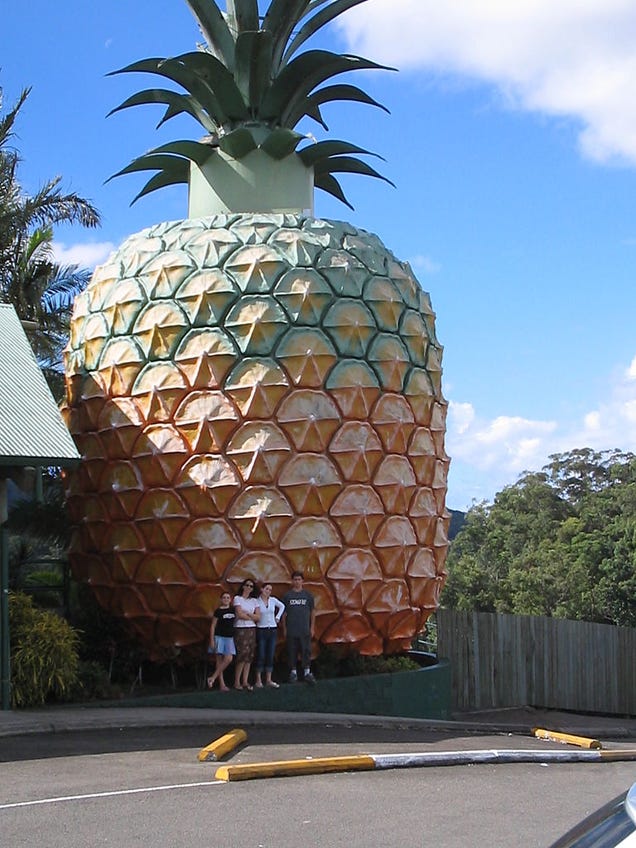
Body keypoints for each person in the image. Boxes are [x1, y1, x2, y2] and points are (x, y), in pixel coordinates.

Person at [281, 571, 316, 684]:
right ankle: (293, 672)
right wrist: (284, 628)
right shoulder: (287, 596)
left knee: (306, 650)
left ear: (302, 581)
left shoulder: (308, 595)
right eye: (295, 579)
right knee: (292, 651)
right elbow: (284, 614)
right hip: (292, 629)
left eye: (299, 579)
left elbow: (312, 612)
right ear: (292, 581)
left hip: (304, 629)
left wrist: (312, 627)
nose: (297, 582)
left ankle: (306, 672)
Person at [254, 583, 285, 689]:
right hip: (261, 629)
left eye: (270, 590)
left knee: (270, 654)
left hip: (272, 629)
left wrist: (277, 617)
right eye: (267, 589)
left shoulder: (273, 600)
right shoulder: (256, 601)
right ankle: (258, 680)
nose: (268, 591)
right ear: (262, 589)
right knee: (261, 654)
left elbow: (282, 606)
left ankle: (268, 679)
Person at [232, 578, 260, 690]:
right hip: (240, 628)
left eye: (251, 586)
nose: (249, 588)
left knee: (249, 655)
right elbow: (239, 614)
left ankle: (245, 681)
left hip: (251, 629)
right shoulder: (237, 599)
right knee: (242, 654)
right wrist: (251, 616)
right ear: (243, 586)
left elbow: (258, 617)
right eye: (247, 585)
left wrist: (248, 614)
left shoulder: (254, 601)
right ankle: (236, 681)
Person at [207, 591, 235, 691]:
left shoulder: (233, 610)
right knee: (219, 660)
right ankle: (222, 684)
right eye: (224, 597)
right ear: (221, 599)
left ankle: (212, 678)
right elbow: (213, 626)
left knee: (228, 658)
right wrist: (212, 640)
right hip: (219, 637)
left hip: (229, 638)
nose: (226, 599)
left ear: (230, 599)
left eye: (228, 597)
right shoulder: (218, 611)